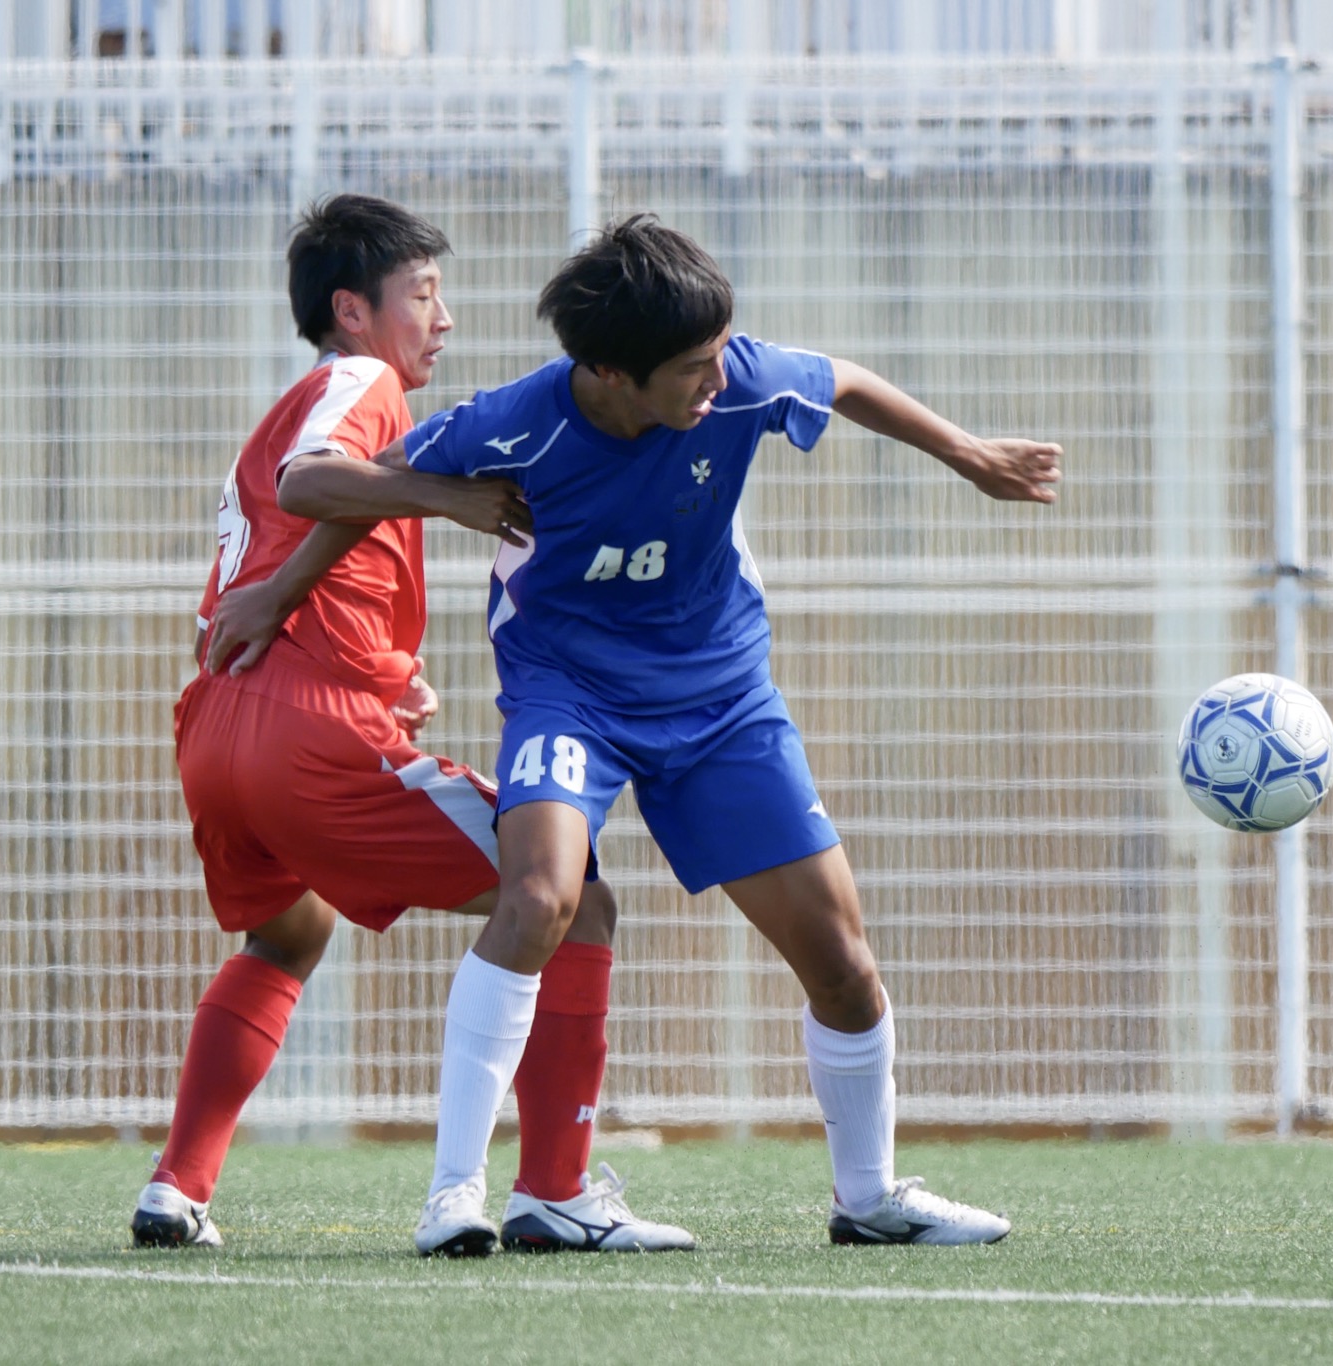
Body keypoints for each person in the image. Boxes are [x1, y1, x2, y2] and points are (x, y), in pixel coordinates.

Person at [303, 213, 1058, 1245]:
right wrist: (402, 522)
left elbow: (839, 380)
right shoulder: (517, 423)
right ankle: (453, 1199)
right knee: (538, 898)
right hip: (569, 694)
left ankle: (869, 1199)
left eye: (721, 355)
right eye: (694, 369)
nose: (719, 380)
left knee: (843, 962)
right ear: (611, 372)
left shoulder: (736, 380)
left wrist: (970, 455)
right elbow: (331, 487)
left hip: (720, 699)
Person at [132, 194, 691, 1258]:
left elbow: (288, 548)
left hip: (218, 727)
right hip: (303, 732)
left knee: (290, 930)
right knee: (573, 900)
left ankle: (176, 1185)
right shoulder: (359, 381)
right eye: (422, 294)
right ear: (352, 311)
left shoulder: (306, 400)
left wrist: (375, 673)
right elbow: (315, 481)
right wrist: (453, 496)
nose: (443, 317)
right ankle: (556, 1188)